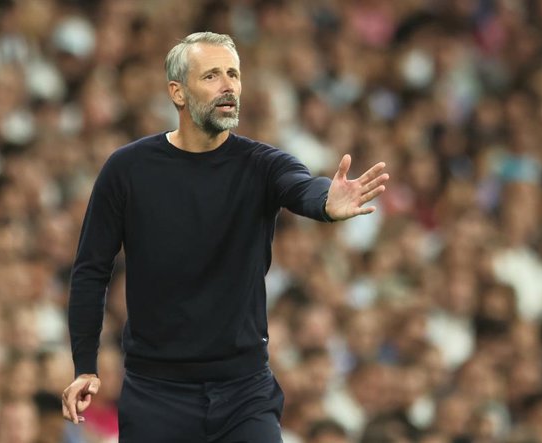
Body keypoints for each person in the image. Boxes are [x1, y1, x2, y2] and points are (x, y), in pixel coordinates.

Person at [61, 31, 388, 442]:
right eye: (212, 75)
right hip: (156, 391)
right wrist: (85, 366)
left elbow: (301, 187)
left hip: (244, 391)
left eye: (233, 74)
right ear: (178, 93)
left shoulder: (263, 164)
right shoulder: (127, 170)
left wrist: (325, 202)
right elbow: (91, 270)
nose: (229, 85)